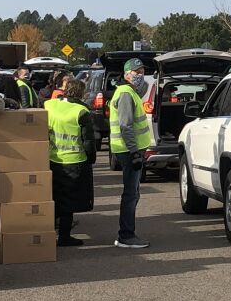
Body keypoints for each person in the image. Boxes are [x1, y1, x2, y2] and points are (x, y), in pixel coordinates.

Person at [45, 72, 97, 246]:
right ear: (81, 93)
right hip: (75, 161)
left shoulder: (50, 105)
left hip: (52, 159)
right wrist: (91, 159)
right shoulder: (81, 111)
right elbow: (88, 140)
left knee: (55, 197)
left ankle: (47, 232)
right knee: (69, 202)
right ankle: (64, 237)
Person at [109, 58, 152, 249]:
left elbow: (142, 89)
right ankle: (126, 235)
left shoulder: (130, 92)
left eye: (142, 71)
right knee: (130, 194)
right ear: (127, 74)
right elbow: (125, 125)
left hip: (130, 149)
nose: (140, 74)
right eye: (136, 72)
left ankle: (127, 233)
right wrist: (135, 152)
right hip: (128, 150)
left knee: (133, 193)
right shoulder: (126, 94)